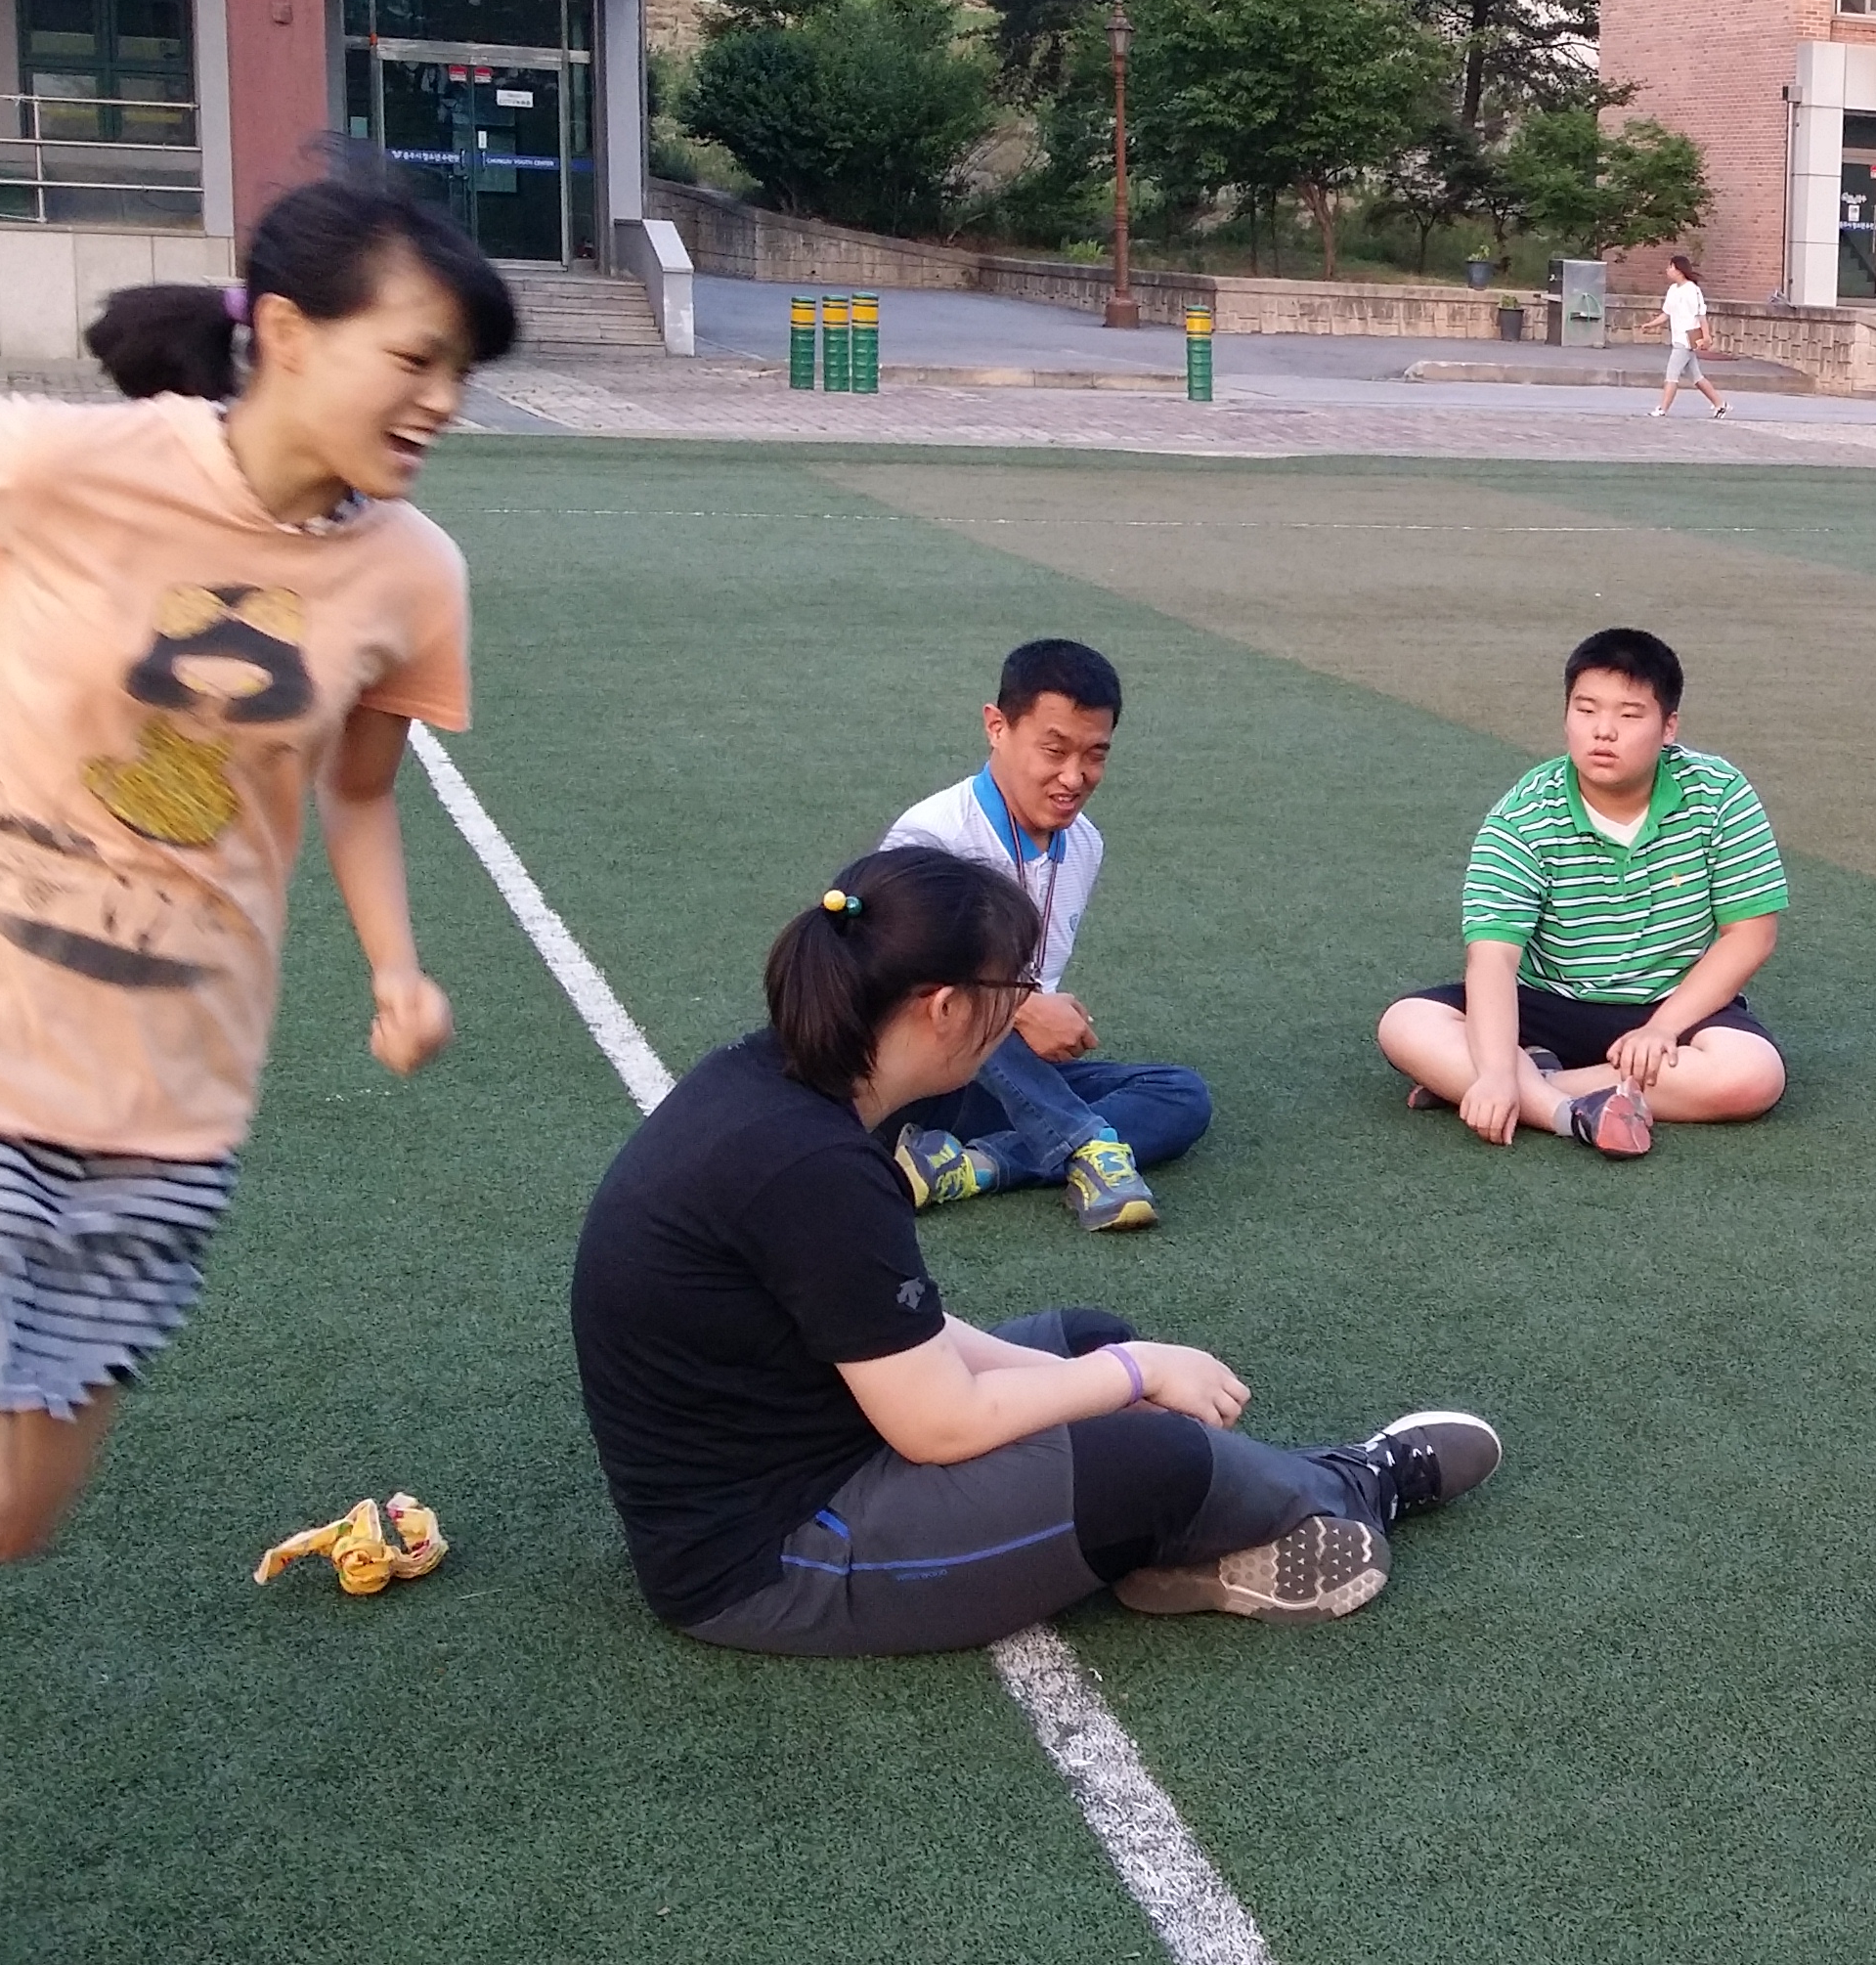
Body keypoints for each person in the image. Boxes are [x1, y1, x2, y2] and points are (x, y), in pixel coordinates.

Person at [0, 175, 517, 1624]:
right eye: (415, 357)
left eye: (459, 371)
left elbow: (361, 791)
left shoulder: (413, 576)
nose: (442, 400)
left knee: (19, 1515)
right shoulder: (61, 464)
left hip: (171, 1102)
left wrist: (396, 968)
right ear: (289, 333)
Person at [571, 848, 1498, 1656]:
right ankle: (1353, 1483)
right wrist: (1136, 1375)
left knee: (1087, 1340)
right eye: (1013, 992)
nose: (1021, 1010)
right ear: (943, 1008)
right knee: (1147, 1450)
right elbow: (938, 1425)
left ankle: (1181, 1545)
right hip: (775, 1560)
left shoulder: (773, 1082)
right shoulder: (813, 1166)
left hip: (818, 1444)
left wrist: (1101, 1374)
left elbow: (884, 1334)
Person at [1374, 628, 1786, 1158]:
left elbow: (1750, 935)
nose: (1603, 731)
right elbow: (1493, 958)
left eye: (1629, 715)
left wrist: (1662, 1028)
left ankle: (1505, 1085)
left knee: (1753, 1075)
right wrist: (1496, 1068)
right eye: (1586, 710)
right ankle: (1567, 1113)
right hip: (1544, 1003)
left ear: (1669, 727)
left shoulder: (1719, 793)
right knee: (1405, 1024)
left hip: (1668, 1003)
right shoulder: (1523, 814)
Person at [877, 639, 1211, 1234]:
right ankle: (1087, 1148)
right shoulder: (930, 838)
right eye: (1054, 750)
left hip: (995, 1083)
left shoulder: (1085, 843)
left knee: (1180, 1095)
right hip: (910, 1081)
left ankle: (975, 1166)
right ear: (996, 727)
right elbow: (899, 991)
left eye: (1095, 755)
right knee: (959, 1008)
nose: (1074, 777)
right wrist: (1021, 1008)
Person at [1646, 252, 1728, 419]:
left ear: (1679, 269)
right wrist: (1650, 324)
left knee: (1672, 375)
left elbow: (1701, 315)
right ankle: (1720, 404)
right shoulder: (1672, 290)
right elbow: (1666, 313)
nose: (1667, 270)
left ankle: (1663, 409)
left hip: (1686, 340)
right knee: (1696, 377)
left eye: (1670, 267)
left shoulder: (1692, 290)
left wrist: (1706, 336)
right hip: (1678, 338)